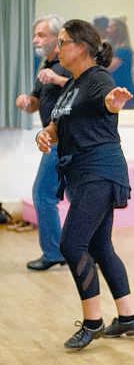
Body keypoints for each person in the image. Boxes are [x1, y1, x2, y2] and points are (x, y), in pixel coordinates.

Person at [36, 19, 134, 349]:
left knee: (72, 244)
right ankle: (128, 317)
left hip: (100, 172)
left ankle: (93, 322)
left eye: (63, 42)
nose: (57, 48)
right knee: (100, 246)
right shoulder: (73, 84)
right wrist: (45, 134)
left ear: (81, 47)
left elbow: (108, 101)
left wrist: (114, 102)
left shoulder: (98, 79)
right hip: (82, 174)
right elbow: (58, 124)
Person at [15, 15, 70, 271]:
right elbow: (36, 101)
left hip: (67, 139)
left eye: (41, 35)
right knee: (68, 196)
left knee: (43, 194)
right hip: (53, 138)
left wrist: (57, 79)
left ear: (57, 38)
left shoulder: (69, 63)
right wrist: (27, 102)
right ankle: (70, 251)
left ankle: (54, 252)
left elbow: (87, 88)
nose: (36, 40)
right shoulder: (44, 64)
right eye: (35, 35)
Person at [107, 18, 134, 109]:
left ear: (118, 31)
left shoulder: (124, 50)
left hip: (124, 94)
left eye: (111, 27)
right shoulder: (115, 48)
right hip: (116, 93)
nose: (108, 30)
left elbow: (109, 67)